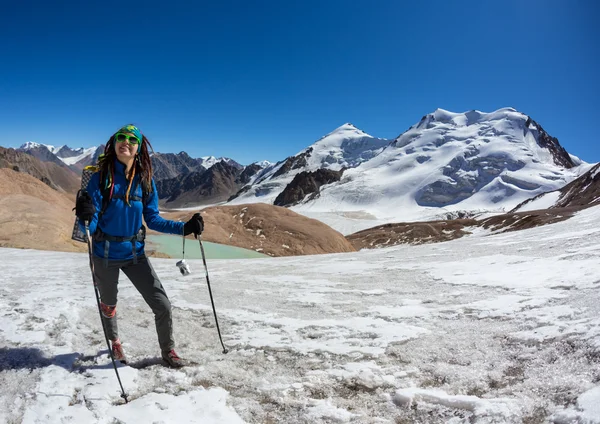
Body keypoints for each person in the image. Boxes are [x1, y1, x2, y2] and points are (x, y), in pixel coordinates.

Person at [74, 124, 204, 368]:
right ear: (113, 144)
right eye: (121, 137)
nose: (126, 142)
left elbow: (153, 219)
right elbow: (90, 228)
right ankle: (115, 342)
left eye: (132, 139)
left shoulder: (145, 180)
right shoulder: (101, 179)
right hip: (105, 255)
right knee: (109, 305)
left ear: (139, 147)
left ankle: (169, 351)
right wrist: (85, 219)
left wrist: (184, 228)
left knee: (162, 305)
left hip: (136, 255)